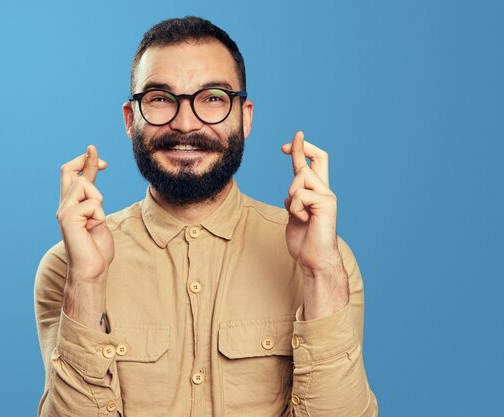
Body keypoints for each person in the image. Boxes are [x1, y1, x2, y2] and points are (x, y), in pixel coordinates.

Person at [35, 16, 378, 417]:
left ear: (245, 117)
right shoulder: (66, 267)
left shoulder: (328, 262)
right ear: (131, 120)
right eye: (161, 98)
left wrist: (320, 273)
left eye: (212, 97)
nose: (185, 123)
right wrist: (87, 282)